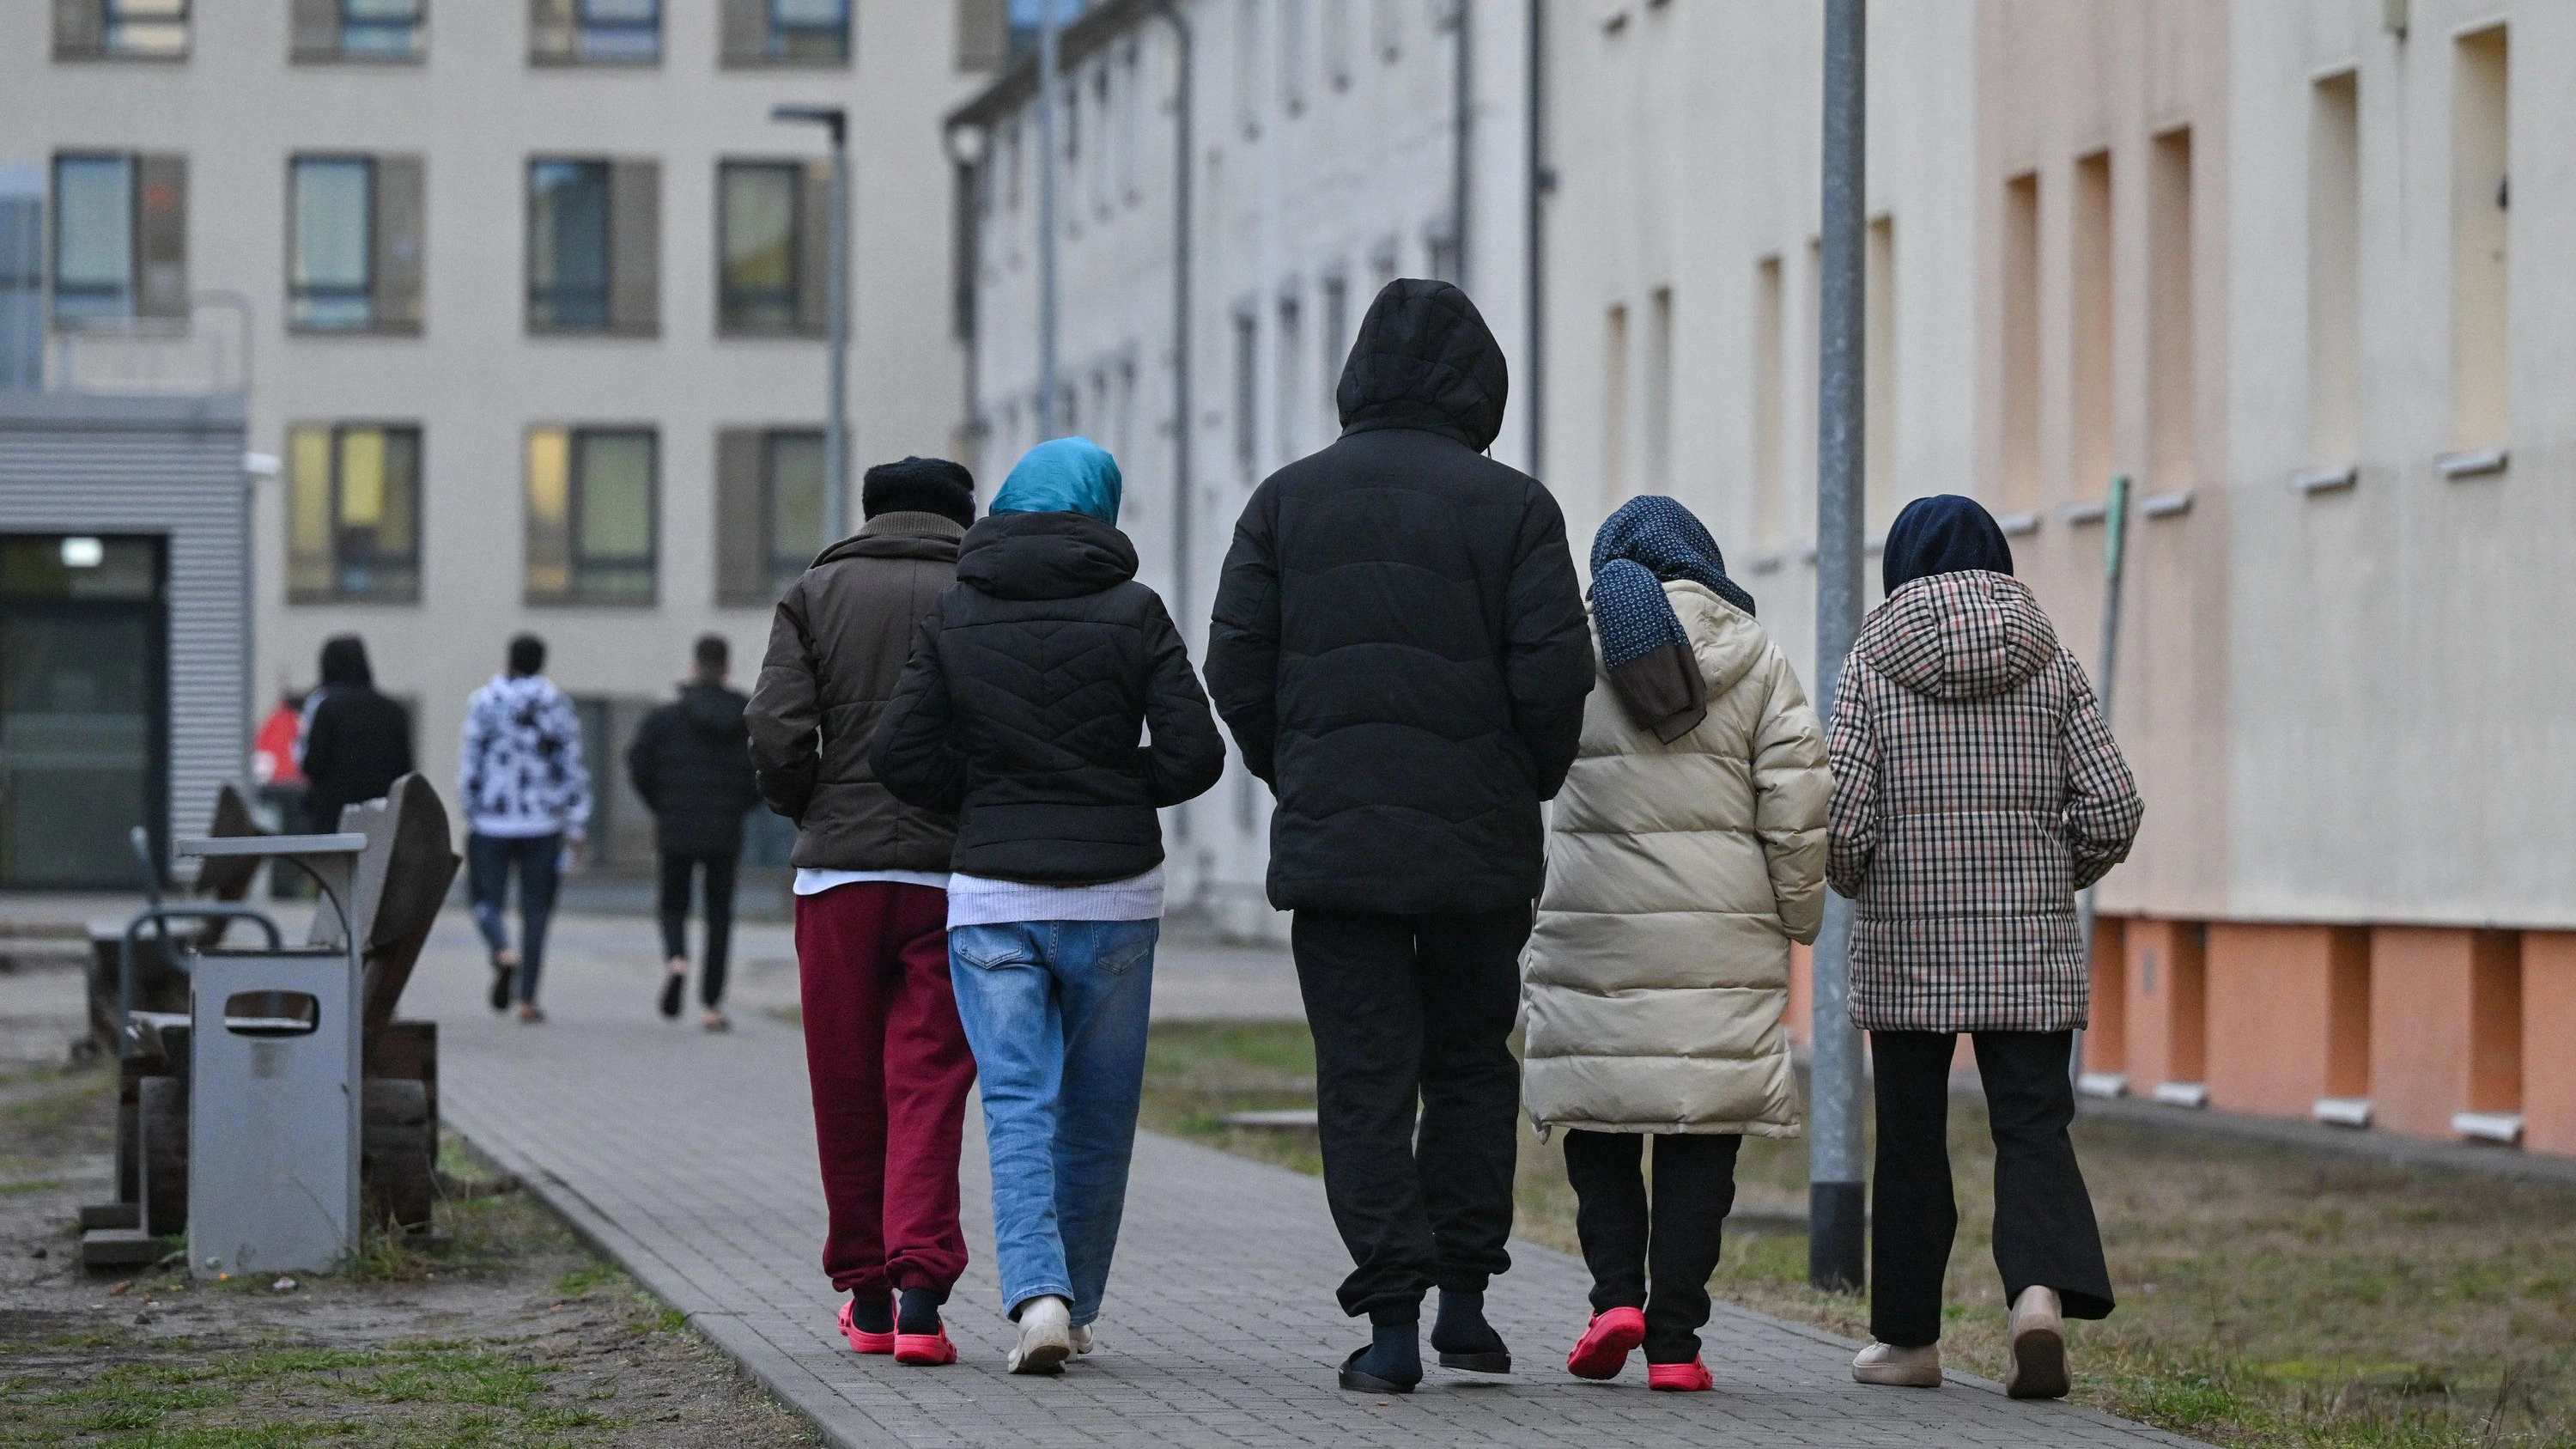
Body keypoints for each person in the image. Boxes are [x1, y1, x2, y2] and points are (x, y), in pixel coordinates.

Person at [1205, 278, 1595, 1393]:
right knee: (1472, 1064)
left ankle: (1389, 1323)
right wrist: (1520, 780)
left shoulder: (1285, 502)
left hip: (1340, 854)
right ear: (1483, 385)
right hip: (1478, 850)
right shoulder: (1516, 507)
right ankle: (1466, 1299)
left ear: (1358, 372)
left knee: (1364, 1078)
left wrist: (1307, 771)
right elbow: (1554, 673)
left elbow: (1237, 666)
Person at [873, 437, 1224, 1376]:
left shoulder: (958, 611)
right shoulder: (1136, 610)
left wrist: (987, 793)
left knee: (1017, 1106)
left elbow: (898, 755)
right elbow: (1196, 754)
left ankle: (1040, 1295)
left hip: (993, 892)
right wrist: (1114, 784)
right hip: (1115, 894)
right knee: (1099, 1112)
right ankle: (1082, 1300)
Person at [1826, 494, 2142, 1399]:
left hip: (1909, 945)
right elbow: (2115, 805)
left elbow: (1840, 823)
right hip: (2028, 941)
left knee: (1913, 1138)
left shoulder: (1870, 662)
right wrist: (2053, 873)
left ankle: (1909, 1342)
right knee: (2033, 1125)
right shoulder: (2050, 659)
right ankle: (2036, 1298)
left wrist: (1864, 881)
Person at [1521, 496, 1829, 1392]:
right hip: (1721, 937)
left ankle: (1614, 1297)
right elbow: (1799, 801)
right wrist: (1798, 919)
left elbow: (1522, 769)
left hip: (1593, 929)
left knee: (1601, 1111)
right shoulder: (1758, 658)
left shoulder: (1573, 652)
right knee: (1704, 1132)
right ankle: (1675, 1343)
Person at [748, 455, 982, 1368]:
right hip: (949, 876)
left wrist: (806, 802)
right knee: (927, 1086)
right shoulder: (980, 587)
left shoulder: (814, 591)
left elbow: (774, 725)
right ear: (964, 515)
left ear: (872, 512)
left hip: (836, 877)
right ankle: (923, 1300)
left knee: (845, 1087)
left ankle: (870, 1299)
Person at [629, 634, 762, 1031]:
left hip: (676, 827)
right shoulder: (746, 717)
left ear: (693, 666)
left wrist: (662, 805)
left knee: (673, 903)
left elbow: (638, 766)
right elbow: (765, 770)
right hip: (725, 829)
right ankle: (711, 1005)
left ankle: (677, 960)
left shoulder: (665, 719)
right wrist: (740, 806)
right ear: (727, 669)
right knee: (719, 914)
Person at [459, 633, 591, 1024]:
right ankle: (527, 1000)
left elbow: (471, 762)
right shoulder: (556, 704)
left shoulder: (483, 702)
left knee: (484, 898)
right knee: (537, 912)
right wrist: (577, 820)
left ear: (510, 660)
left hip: (491, 820)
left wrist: (471, 810)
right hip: (543, 822)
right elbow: (572, 765)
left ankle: (502, 950)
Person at [295, 636, 412, 834]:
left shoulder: (326, 709)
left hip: (333, 821)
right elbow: (405, 770)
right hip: (381, 821)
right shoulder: (394, 711)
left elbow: (312, 764)